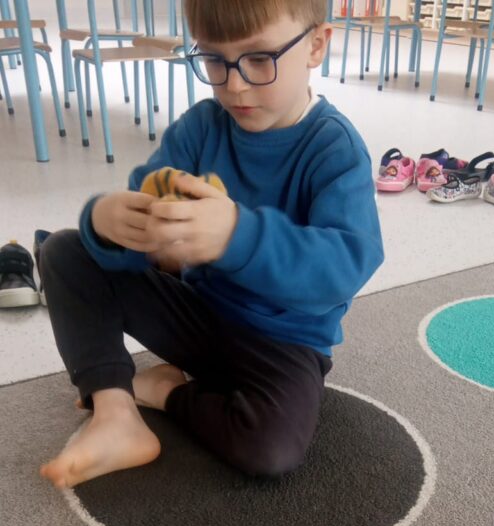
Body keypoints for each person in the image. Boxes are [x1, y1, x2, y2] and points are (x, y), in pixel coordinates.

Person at [40, 0, 384, 490]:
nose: (235, 85)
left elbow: (346, 265)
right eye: (214, 61)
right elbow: (141, 235)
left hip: (284, 343)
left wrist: (236, 237)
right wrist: (109, 223)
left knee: (270, 447)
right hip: (197, 317)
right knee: (64, 251)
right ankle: (115, 413)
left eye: (259, 59)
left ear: (316, 46)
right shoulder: (201, 127)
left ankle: (164, 391)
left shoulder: (334, 148)